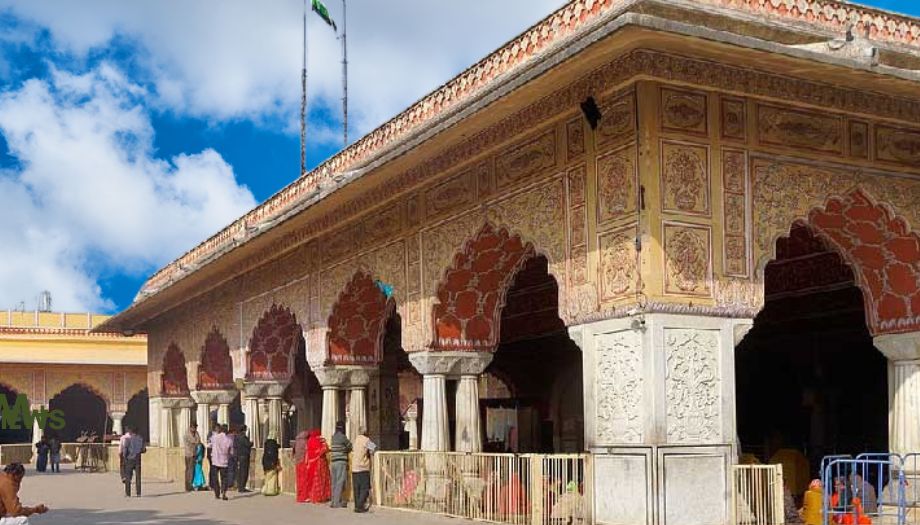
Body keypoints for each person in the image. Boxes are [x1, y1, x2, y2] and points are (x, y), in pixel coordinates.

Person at [296, 429, 331, 503]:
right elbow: (324, 449)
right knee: (319, 480)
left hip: (308, 463)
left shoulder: (306, 441)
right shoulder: (319, 441)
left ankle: (306, 496)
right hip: (318, 463)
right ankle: (320, 497)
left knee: (306, 481)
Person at [350, 426, 376, 513]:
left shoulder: (356, 439)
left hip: (354, 466)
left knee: (356, 488)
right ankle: (360, 505)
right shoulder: (366, 440)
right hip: (363, 467)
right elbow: (373, 448)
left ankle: (357, 505)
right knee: (364, 487)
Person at [329, 421, 351, 508]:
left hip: (333, 461)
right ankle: (337, 502)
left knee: (334, 482)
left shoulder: (333, 437)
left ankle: (333, 501)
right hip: (341, 461)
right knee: (340, 481)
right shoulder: (343, 437)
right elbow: (349, 446)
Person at [210, 424, 234, 501]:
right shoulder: (229, 440)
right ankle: (224, 492)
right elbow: (231, 451)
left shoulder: (215, 437)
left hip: (215, 460)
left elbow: (209, 444)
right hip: (224, 461)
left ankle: (217, 492)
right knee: (224, 478)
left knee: (215, 477)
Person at [122, 425, 146, 497]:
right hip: (137, 459)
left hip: (129, 459)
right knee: (138, 477)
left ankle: (128, 493)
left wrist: (125, 457)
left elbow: (125, 450)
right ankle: (138, 493)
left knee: (128, 477)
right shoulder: (140, 439)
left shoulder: (128, 440)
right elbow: (143, 450)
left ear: (131, 431)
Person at [234, 425, 253, 492]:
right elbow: (248, 444)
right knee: (244, 472)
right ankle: (242, 487)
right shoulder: (243, 437)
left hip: (239, 456)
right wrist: (251, 443)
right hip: (244, 456)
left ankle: (240, 486)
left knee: (240, 472)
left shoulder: (236, 437)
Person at [183, 422, 201, 492]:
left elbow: (199, 441)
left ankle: (191, 485)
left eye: (195, 428)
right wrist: (196, 441)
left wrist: (197, 440)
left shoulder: (196, 433)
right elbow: (194, 441)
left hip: (194, 454)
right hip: (189, 454)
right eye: (193, 427)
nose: (195, 429)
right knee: (189, 471)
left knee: (192, 470)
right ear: (190, 427)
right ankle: (188, 486)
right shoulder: (187, 434)